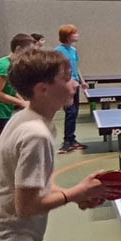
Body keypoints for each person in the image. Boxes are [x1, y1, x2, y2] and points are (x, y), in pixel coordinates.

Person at [0, 49, 118, 241]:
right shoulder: (35, 134)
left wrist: (75, 195)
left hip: (12, 236)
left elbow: (36, 186)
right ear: (43, 89)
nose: (74, 84)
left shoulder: (28, 118)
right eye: (67, 78)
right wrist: (76, 192)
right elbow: (26, 206)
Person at [54, 24, 88, 154]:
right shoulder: (58, 51)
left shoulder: (73, 50)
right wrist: (66, 82)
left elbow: (76, 67)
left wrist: (82, 81)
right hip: (66, 85)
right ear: (67, 36)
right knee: (70, 112)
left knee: (74, 112)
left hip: (75, 84)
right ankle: (67, 142)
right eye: (74, 33)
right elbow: (57, 70)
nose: (77, 35)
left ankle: (72, 139)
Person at [0, 34, 36, 140]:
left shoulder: (12, 65)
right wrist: (21, 103)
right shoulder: (4, 66)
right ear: (18, 49)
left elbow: (9, 89)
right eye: (28, 52)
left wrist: (23, 101)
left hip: (4, 111)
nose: (30, 56)